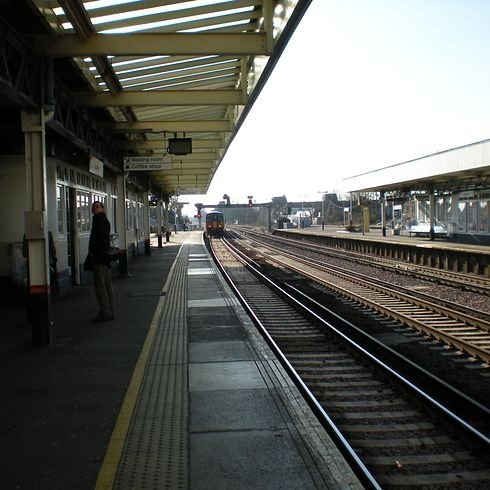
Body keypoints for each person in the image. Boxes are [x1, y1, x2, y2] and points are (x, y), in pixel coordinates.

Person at [88, 201, 114, 322]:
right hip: (105, 258)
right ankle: (110, 310)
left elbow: (99, 242)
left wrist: (96, 256)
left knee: (100, 286)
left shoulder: (99, 222)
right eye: (93, 206)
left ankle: (105, 311)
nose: (94, 208)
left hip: (100, 259)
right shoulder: (104, 221)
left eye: (97, 206)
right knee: (107, 285)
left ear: (103, 209)